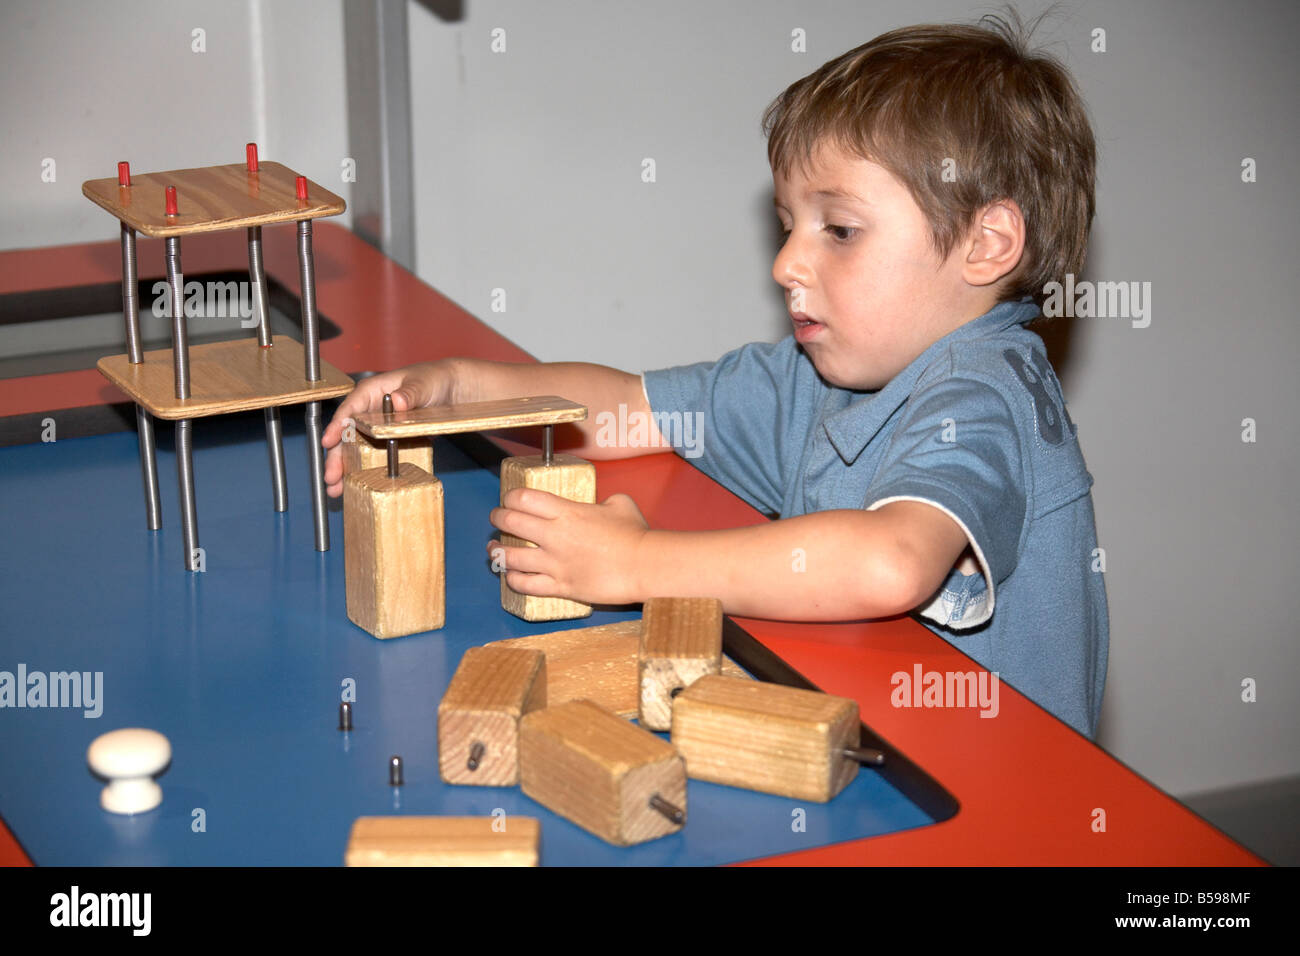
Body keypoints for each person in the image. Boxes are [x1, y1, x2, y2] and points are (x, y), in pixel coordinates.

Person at [322, 16, 1108, 738]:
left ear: (987, 244)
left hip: (1002, 805)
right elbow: (629, 408)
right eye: (788, 226)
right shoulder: (817, 376)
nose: (786, 263)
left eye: (839, 230)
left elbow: (890, 562)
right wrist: (458, 386)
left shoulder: (985, 391)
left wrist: (634, 563)